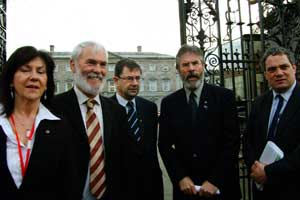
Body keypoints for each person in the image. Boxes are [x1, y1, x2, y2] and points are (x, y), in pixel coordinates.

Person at [158, 44, 241, 200]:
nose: (191, 69)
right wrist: (180, 177)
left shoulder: (224, 97)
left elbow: (232, 142)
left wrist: (214, 180)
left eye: (195, 63)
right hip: (186, 190)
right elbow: (164, 145)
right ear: (178, 69)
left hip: (221, 188)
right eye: (185, 65)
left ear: (203, 66)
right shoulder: (169, 103)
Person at [51, 41, 128, 200]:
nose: (98, 70)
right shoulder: (52, 108)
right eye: (91, 63)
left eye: (103, 64)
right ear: (72, 65)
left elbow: (124, 165)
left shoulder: (117, 111)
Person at [0, 46, 80, 199]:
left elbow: (70, 187)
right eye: (25, 70)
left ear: (47, 82)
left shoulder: (61, 127)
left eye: (41, 72)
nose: (34, 77)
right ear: (10, 79)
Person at [243, 46, 300, 200]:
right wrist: (255, 168)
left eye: (284, 67)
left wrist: (268, 172)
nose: (279, 73)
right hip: (263, 191)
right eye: (272, 69)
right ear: (266, 74)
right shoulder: (259, 102)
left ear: (294, 68)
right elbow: (248, 140)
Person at [111, 58, 164, 200]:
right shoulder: (105, 109)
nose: (135, 83)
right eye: (129, 78)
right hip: (119, 189)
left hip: (150, 186)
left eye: (137, 78)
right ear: (116, 80)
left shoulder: (150, 108)